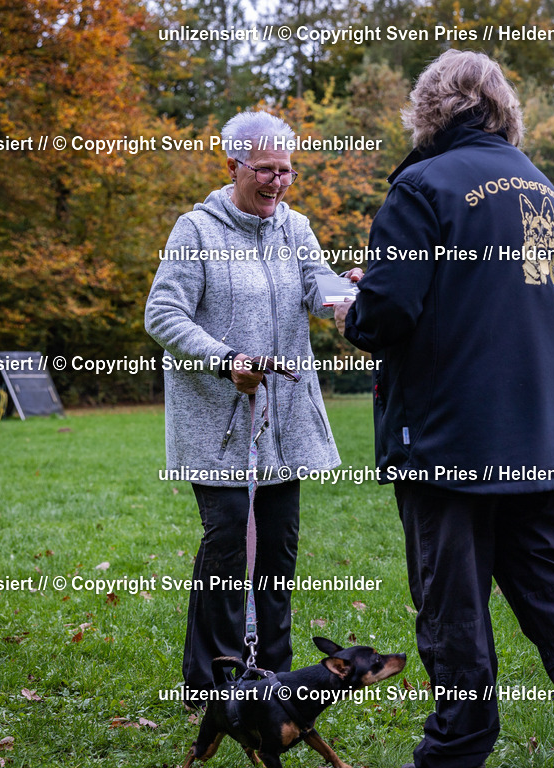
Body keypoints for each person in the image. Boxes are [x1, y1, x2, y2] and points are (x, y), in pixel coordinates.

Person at [335, 49, 554, 768]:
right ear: (503, 108)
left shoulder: (421, 186)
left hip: (451, 438)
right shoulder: (544, 191)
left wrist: (353, 308)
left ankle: (457, 747)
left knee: (454, 604)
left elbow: (389, 314)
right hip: (547, 434)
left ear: (428, 109)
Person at [145, 110, 358, 702]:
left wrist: (351, 291)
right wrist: (225, 358)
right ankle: (213, 684)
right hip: (217, 425)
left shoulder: (295, 226)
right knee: (228, 546)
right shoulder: (196, 230)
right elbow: (162, 314)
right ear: (233, 165)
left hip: (284, 425)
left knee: (278, 549)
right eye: (265, 169)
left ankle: (274, 680)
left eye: (286, 171)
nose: (278, 182)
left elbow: (318, 287)